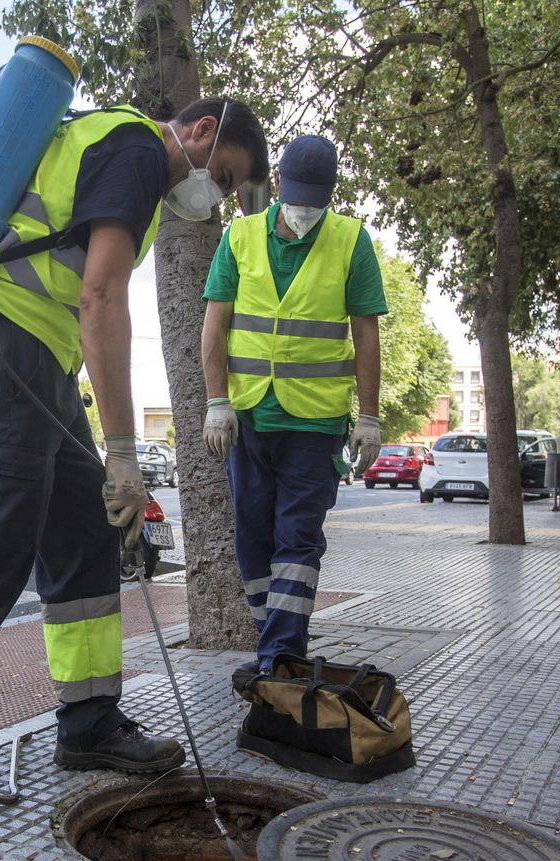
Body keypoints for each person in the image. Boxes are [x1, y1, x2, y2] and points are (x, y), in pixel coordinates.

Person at [0, 97, 272, 839]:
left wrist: (107, 455)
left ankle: (87, 722)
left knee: (83, 533)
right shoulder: (140, 153)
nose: (220, 201)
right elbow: (101, 294)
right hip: (1, 340)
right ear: (204, 133)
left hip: (37, 356)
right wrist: (121, 448)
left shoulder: (120, 151)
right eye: (229, 178)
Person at [200, 135, 385, 674]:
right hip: (249, 420)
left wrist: (369, 417)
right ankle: (273, 647)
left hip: (316, 424)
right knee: (253, 543)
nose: (303, 210)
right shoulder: (240, 236)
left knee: (298, 542)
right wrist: (217, 401)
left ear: (330, 195)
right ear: (278, 185)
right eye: (297, 196)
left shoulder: (352, 241)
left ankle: (281, 660)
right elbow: (216, 325)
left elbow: (366, 334)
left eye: (315, 201)